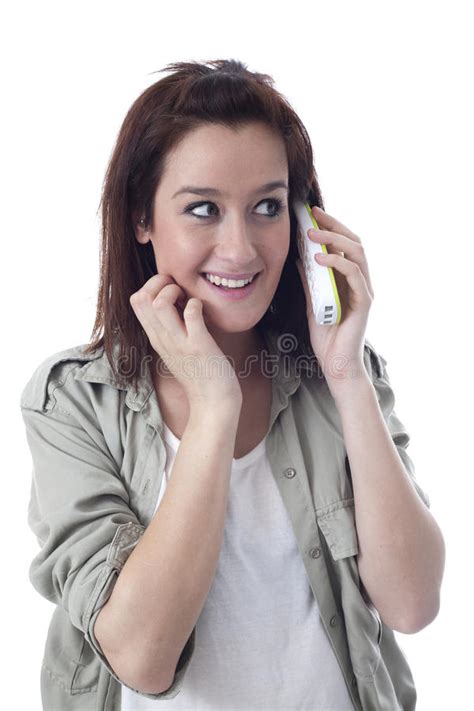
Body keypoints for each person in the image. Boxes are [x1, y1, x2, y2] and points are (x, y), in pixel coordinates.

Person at [20, 58, 445, 711]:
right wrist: (214, 405)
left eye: (268, 207)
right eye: (202, 209)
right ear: (142, 216)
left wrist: (346, 374)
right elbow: (142, 656)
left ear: (305, 223)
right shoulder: (76, 398)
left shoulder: (340, 375)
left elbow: (413, 603)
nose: (241, 248)